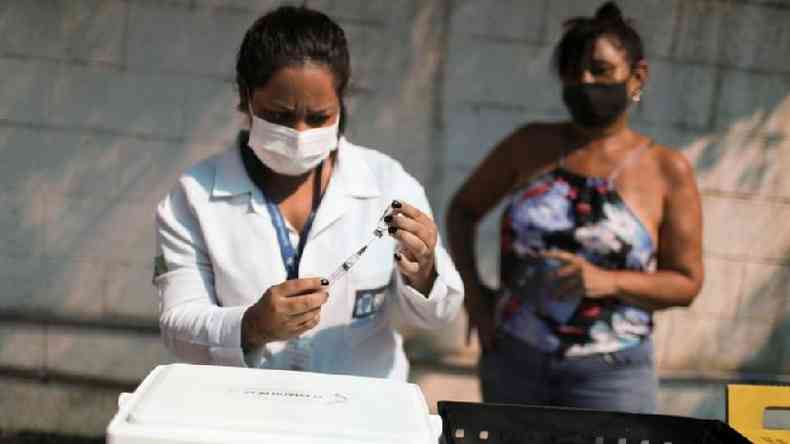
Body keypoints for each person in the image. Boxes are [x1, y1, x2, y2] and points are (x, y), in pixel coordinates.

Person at [153, 6, 463, 380]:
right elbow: (177, 323)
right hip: (246, 413)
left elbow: (438, 314)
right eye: (279, 115)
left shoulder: (388, 184)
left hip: (358, 416)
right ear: (246, 98)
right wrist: (251, 326)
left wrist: (425, 271)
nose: (300, 133)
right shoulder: (194, 198)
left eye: (318, 117)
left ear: (340, 103)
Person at [446, 1, 703, 412]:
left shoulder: (666, 170)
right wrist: (474, 298)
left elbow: (686, 283)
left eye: (600, 71)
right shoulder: (530, 146)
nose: (584, 81)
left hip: (612, 376)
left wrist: (610, 281)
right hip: (514, 362)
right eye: (572, 72)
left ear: (637, 76)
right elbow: (463, 210)